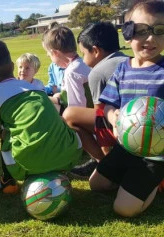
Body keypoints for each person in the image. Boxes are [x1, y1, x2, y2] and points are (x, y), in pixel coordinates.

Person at [0, 38, 82, 193]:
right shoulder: (35, 88)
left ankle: (7, 180)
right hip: (70, 155)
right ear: (11, 66)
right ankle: (59, 170)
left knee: (6, 133)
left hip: (27, 164)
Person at [89, 0, 164, 217]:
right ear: (128, 33)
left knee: (123, 210)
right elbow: (109, 104)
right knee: (96, 184)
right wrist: (114, 117)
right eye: (142, 31)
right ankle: (132, 183)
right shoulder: (123, 69)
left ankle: (152, 182)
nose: (151, 38)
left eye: (160, 31)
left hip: (154, 155)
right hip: (126, 147)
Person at [64, 22, 128, 179]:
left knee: (70, 114)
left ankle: (104, 164)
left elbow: (101, 119)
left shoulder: (98, 72)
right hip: (148, 125)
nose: (83, 60)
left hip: (123, 127)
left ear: (95, 51)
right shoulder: (130, 60)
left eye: (83, 54)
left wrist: (108, 160)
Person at [42, 26, 91, 114]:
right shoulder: (82, 64)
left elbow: (76, 109)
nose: (47, 55)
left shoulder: (72, 72)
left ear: (55, 53)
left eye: (49, 53)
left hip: (84, 120)